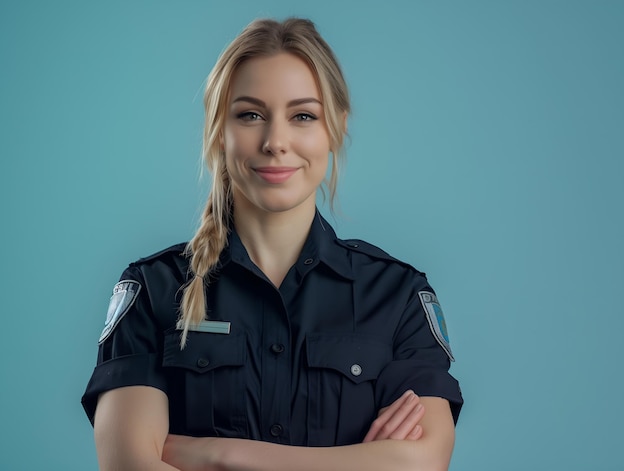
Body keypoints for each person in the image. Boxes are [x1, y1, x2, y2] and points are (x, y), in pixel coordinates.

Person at [82, 17, 463, 471]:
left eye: (303, 115)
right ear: (218, 129)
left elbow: (420, 463)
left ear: (336, 128)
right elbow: (129, 466)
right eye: (250, 115)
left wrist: (218, 455)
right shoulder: (153, 290)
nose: (275, 142)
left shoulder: (397, 296)